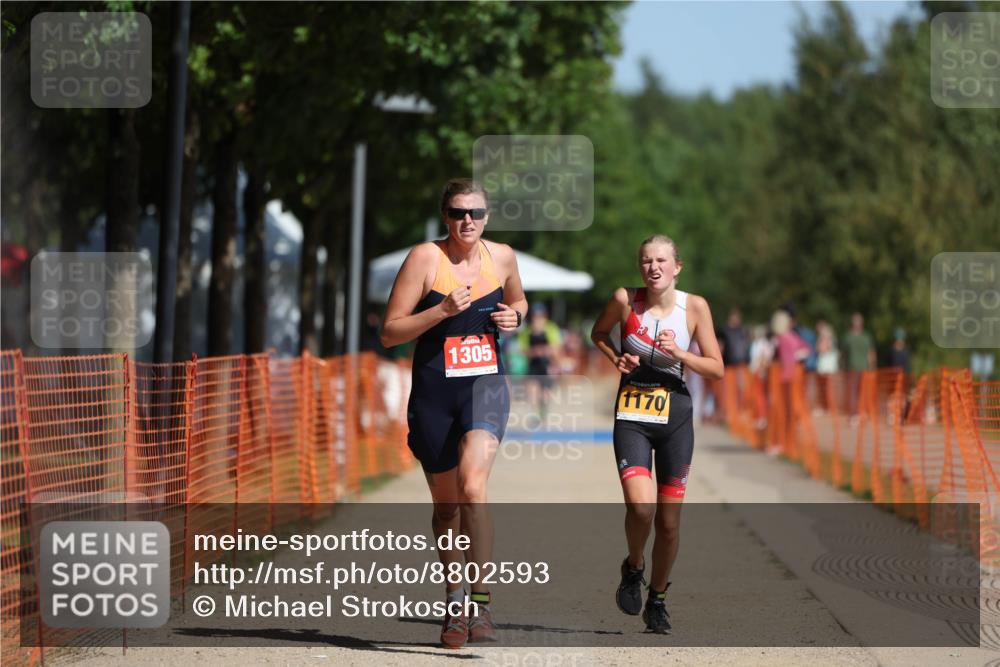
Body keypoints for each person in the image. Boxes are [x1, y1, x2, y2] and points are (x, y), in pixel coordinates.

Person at [380, 178, 528, 648]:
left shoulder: (502, 257)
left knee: (472, 488)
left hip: (484, 389)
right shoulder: (425, 259)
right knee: (446, 507)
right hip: (434, 394)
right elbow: (390, 332)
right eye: (460, 212)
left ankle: (479, 605)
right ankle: (454, 598)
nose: (469, 221)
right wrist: (441, 311)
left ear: (488, 217)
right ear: (445, 215)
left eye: (477, 213)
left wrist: (516, 317)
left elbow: (519, 300)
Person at [590, 234, 723, 635]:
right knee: (641, 508)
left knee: (668, 523)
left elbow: (717, 368)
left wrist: (680, 355)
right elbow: (598, 333)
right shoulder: (625, 301)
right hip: (632, 413)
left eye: (662, 260)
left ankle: (658, 599)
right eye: (647, 261)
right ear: (640, 267)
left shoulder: (694, 307)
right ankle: (634, 566)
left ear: (677, 267)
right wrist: (618, 359)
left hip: (676, 417)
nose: (654, 267)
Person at [771, 310, 810, 456]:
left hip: (786, 379)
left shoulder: (783, 339)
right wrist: (799, 356)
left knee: (785, 412)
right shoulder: (792, 336)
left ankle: (784, 443)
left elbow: (787, 360)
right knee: (791, 411)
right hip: (795, 377)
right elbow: (806, 348)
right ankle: (789, 443)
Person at [517, 303, 562, 417]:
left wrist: (554, 363)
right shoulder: (527, 331)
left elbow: (556, 348)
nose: (537, 319)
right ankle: (534, 413)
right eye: (535, 316)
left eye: (540, 316)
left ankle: (543, 411)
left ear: (544, 316)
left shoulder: (551, 328)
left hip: (548, 364)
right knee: (531, 390)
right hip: (533, 364)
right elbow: (522, 350)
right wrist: (533, 352)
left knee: (545, 392)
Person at [841, 312, 876, 417]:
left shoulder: (865, 337)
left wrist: (872, 367)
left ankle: (860, 412)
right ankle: (856, 412)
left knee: (859, 391)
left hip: (862, 368)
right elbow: (843, 355)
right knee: (854, 392)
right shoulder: (848, 337)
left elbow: (871, 353)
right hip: (853, 368)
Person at [815, 320, 839, 412]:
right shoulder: (831, 340)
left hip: (826, 368)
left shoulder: (826, 339)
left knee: (827, 389)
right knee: (826, 389)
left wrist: (820, 344)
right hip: (827, 367)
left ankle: (828, 406)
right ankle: (827, 406)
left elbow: (820, 349)